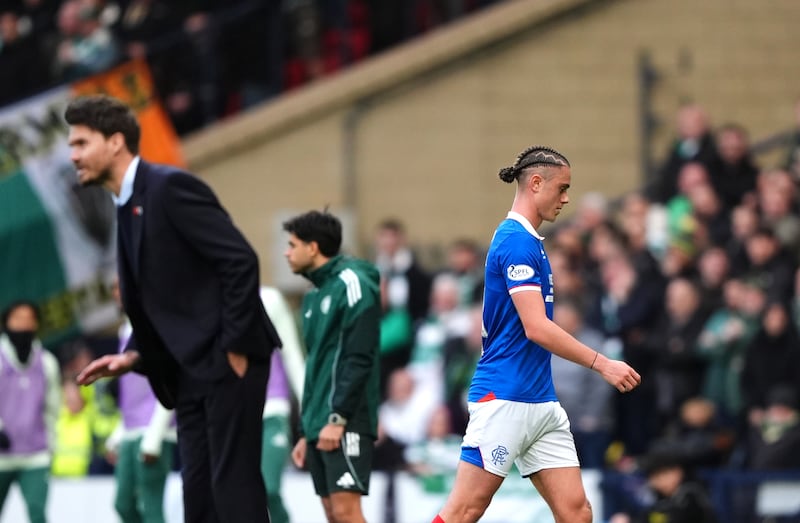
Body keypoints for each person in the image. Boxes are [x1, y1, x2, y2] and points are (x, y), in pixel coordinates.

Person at [66, 94, 282, 523]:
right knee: (198, 498)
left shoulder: (169, 188)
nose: (73, 156)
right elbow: (166, 298)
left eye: (81, 143)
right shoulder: (125, 204)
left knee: (232, 492)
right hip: (188, 371)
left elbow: (239, 260)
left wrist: (234, 347)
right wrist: (134, 355)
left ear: (116, 142)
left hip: (225, 361)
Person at [432, 145, 642, 523]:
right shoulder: (515, 241)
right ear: (535, 183)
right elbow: (537, 327)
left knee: (577, 513)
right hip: (504, 397)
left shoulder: (530, 242)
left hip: (541, 401)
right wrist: (602, 363)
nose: (566, 198)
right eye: (562, 188)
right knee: (464, 510)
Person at [283, 210, 381, 523]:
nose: (286, 253)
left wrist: (338, 417)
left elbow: (358, 356)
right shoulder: (313, 296)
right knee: (332, 513)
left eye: (292, 245)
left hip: (346, 419)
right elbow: (316, 366)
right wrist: (306, 430)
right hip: (319, 422)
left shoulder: (353, 283)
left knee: (345, 511)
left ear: (312, 248)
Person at [105, 281, 176, 523]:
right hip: (130, 430)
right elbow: (132, 393)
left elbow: (169, 381)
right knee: (123, 504)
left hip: (154, 430)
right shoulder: (125, 330)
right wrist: (118, 433)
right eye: (114, 289)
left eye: (121, 287)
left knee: (152, 507)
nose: (117, 294)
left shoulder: (157, 325)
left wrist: (155, 436)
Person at [0, 301, 61, 523]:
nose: (23, 325)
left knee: (37, 514)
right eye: (17, 319)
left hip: (36, 455)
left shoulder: (47, 362)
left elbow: (53, 408)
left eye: (29, 319)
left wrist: (51, 444)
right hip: (1, 457)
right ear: (6, 323)